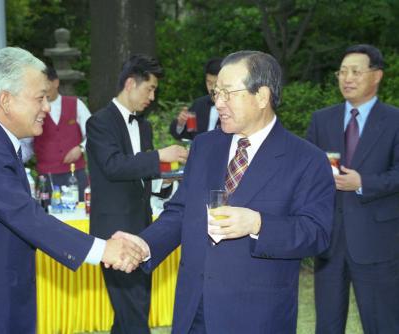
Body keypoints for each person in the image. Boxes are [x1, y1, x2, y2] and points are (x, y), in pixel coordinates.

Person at [0, 47, 145, 334]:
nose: (47, 107)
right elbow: (25, 216)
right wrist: (103, 250)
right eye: (40, 98)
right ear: (6, 101)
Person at [116, 50, 335, 333]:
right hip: (194, 310)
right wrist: (145, 245)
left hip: (258, 317)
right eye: (216, 93)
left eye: (228, 93)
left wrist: (258, 224)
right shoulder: (206, 146)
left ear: (262, 96)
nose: (218, 103)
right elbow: (182, 212)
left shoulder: (306, 159)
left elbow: (316, 234)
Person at [86, 54, 188, 334]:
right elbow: (114, 166)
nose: (152, 97)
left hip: (144, 231)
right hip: (113, 233)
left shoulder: (143, 125)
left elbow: (143, 175)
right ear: (131, 83)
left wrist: (169, 179)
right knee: (133, 312)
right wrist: (159, 156)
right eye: (150, 89)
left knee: (133, 310)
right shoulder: (99, 122)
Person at [307, 44, 399, 334]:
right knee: (327, 324)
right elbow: (306, 171)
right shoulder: (322, 119)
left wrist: (363, 183)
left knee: (383, 323)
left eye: (356, 72)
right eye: (342, 72)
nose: (347, 78)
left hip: (378, 242)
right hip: (329, 241)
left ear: (377, 76)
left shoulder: (395, 120)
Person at [21, 66, 90, 200]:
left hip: (75, 174)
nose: (42, 88)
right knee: (47, 216)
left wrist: (81, 148)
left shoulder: (76, 104)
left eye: (45, 83)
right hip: (46, 176)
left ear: (55, 82)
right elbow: (26, 144)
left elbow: (95, 133)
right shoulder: (33, 109)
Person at [169, 57, 222, 140]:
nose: (212, 88)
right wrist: (181, 124)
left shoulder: (234, 107)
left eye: (216, 83)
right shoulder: (199, 105)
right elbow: (189, 133)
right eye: (209, 82)